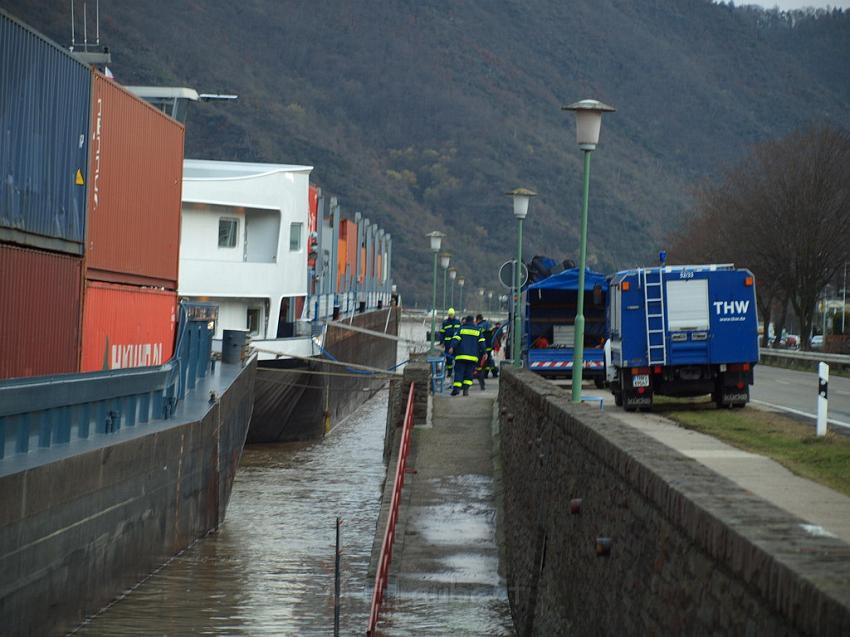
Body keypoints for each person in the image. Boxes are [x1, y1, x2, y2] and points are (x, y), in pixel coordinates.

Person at [448, 315, 485, 396]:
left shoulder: (461, 329)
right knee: (469, 374)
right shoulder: (478, 330)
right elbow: (482, 342)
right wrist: (485, 352)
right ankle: (466, 390)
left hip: (461, 356)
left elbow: (456, 339)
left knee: (459, 373)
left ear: (466, 321)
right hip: (472, 357)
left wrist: (452, 347)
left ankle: (457, 389)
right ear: (473, 321)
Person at [439, 308, 461, 377]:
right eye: (449, 315)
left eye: (451, 315)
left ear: (454, 314)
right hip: (448, 343)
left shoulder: (458, 322)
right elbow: (442, 333)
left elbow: (460, 332)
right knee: (449, 359)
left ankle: (457, 372)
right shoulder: (445, 322)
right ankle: (449, 372)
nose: (450, 316)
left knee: (457, 358)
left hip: (456, 343)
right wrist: (442, 342)